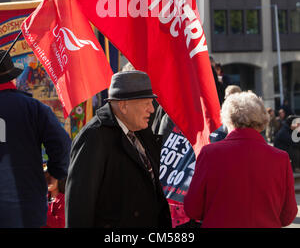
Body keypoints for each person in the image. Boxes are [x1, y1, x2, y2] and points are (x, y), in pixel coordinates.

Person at [65, 70, 172, 228]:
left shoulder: (141, 130)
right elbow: (80, 205)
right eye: (146, 103)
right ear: (123, 105)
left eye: (151, 103)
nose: (152, 109)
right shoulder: (94, 137)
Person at [184, 91, 298, 228]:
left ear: (228, 120)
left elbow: (193, 209)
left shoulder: (210, 154)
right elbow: (288, 215)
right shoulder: (280, 158)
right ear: (263, 121)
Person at [0, 49, 71, 228]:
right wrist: (54, 173)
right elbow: (61, 145)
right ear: (12, 78)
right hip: (26, 210)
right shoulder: (34, 108)